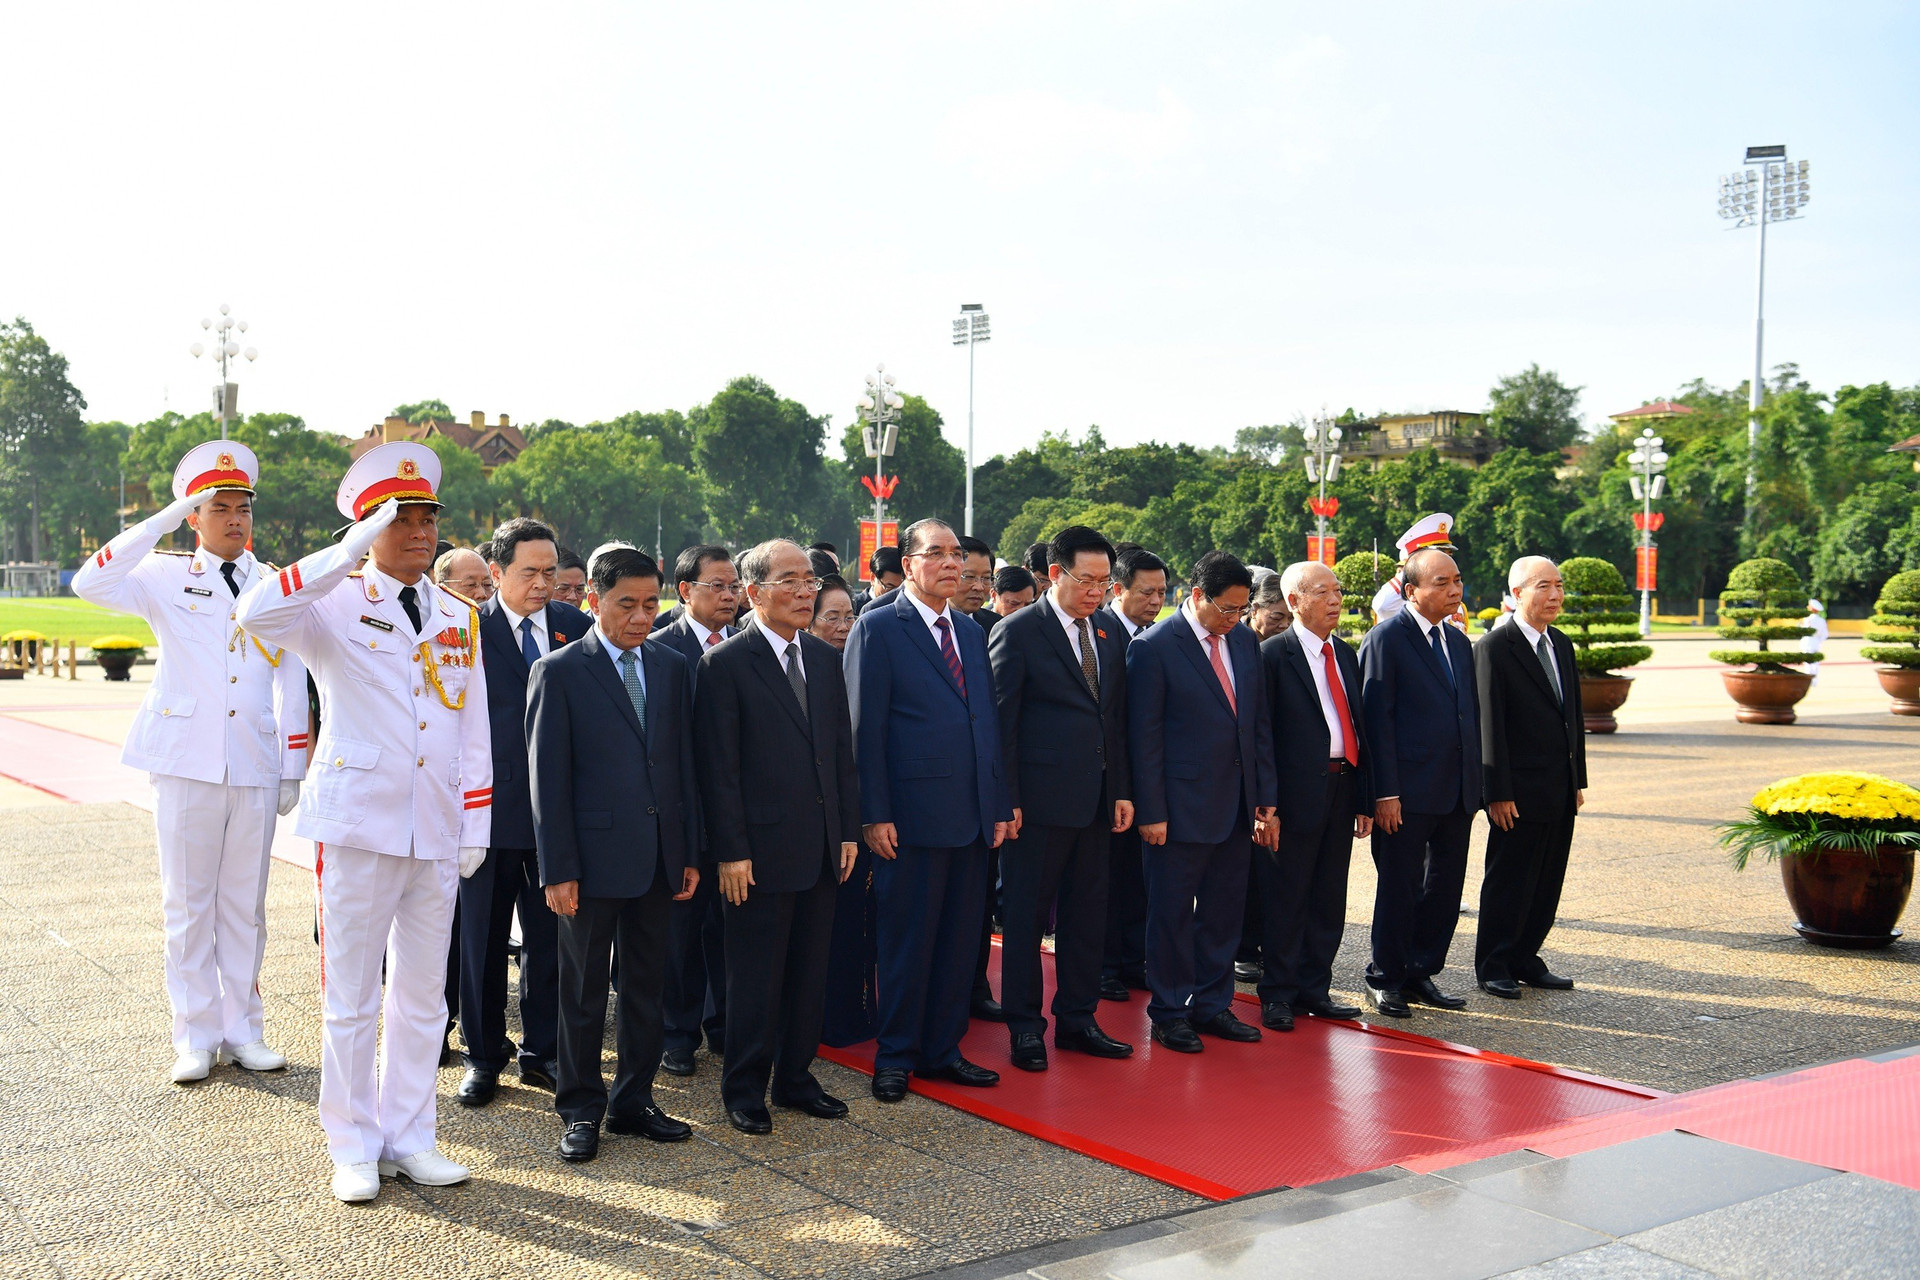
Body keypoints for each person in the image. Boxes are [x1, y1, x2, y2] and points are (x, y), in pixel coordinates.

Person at [236, 442, 491, 1203]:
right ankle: (350, 1141)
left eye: (427, 519)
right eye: (400, 519)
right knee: (350, 994)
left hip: (436, 826)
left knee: (422, 997)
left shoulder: (457, 614)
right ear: (369, 527)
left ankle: (411, 1136)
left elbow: (471, 724)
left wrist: (476, 820)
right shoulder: (333, 603)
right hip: (357, 824)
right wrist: (348, 546)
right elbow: (257, 611)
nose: (419, 532)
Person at [73, 441, 309, 1085]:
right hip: (184, 759)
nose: (235, 519)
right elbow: (89, 581)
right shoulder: (165, 574)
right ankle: (195, 1034)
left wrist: (292, 763)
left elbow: (293, 677)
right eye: (218, 508)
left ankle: (244, 1029)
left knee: (245, 906)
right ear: (194, 518)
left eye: (243, 509)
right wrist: (158, 521)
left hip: (255, 761)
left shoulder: (274, 584)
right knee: (187, 904)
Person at [527, 546, 700, 1164]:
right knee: (581, 992)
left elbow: (682, 767)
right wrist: (558, 869)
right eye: (626, 603)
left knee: (647, 984)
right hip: (590, 862)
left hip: (658, 857)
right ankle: (579, 1107)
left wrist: (687, 852)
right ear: (595, 601)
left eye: (651, 603)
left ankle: (635, 1099)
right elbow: (547, 782)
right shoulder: (560, 671)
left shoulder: (675, 665)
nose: (640, 615)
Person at [694, 540, 861, 1133]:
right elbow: (720, 770)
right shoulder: (725, 664)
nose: (805, 591)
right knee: (754, 977)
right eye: (789, 580)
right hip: (756, 855)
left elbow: (840, 752)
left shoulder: (820, 657)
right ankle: (744, 1087)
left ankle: (795, 1076)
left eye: (810, 581)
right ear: (755, 591)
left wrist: (844, 830)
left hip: (820, 847)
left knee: (808, 972)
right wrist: (731, 851)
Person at [845, 518, 1015, 1101]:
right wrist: (873, 813)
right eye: (937, 553)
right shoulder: (877, 628)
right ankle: (894, 1056)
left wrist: (998, 801)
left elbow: (984, 725)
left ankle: (943, 1049)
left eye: (958, 554)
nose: (952, 564)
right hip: (910, 819)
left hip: (971, 817)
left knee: (959, 941)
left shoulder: (968, 629)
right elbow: (865, 730)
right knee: (906, 942)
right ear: (909, 561)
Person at [988, 526, 1135, 1071]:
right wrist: (1008, 799)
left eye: (1105, 582)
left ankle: (1078, 1018)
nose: (1098, 591)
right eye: (1088, 580)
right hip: (1037, 807)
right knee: (1025, 920)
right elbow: (1002, 723)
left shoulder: (1107, 633)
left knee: (1087, 917)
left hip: (1097, 803)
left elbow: (1113, 721)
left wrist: (1121, 790)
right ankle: (1024, 1025)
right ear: (1055, 574)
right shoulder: (1018, 631)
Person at [454, 518, 590, 1108]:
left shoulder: (574, 627)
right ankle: (484, 1054)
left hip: (560, 819)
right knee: (481, 938)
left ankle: (543, 1051)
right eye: (529, 572)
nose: (543, 583)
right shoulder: (464, 633)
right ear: (496, 572)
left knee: (551, 940)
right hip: (489, 814)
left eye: (550, 572)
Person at [1126, 550, 1278, 1053]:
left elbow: (1256, 727)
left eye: (1242, 609)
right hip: (1177, 810)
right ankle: (1169, 1013)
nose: (1235, 618)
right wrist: (1152, 812)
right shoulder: (1154, 647)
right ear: (1196, 596)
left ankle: (1214, 1005)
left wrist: (1264, 798)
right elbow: (1143, 740)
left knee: (1223, 915)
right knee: (1170, 917)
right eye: (1227, 609)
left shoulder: (1244, 645)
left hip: (1235, 807)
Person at [1359, 547, 1482, 1020]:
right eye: (1442, 583)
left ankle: (1420, 970)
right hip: (1406, 794)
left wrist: (1478, 784)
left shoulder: (1457, 642)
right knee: (1400, 886)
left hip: (1455, 791)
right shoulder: (1387, 639)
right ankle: (1385, 977)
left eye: (1457, 581)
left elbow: (1466, 716)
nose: (1455, 590)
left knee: (1444, 888)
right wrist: (1385, 792)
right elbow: (1377, 722)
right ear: (1411, 591)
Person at [1253, 562, 1372, 1030]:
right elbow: (1260, 735)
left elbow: (1360, 728)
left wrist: (1365, 797)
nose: (1336, 599)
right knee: (1287, 895)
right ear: (1295, 602)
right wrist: (1267, 804)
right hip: (1293, 793)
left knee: (1328, 893)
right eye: (1323, 592)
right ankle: (1277, 993)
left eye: (1338, 591)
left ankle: (1314, 987)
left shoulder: (1344, 653)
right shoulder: (1273, 655)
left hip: (1341, 787)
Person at [1474, 557, 1585, 999]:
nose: (1555, 595)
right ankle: (1494, 963)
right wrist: (1496, 792)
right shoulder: (1495, 647)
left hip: (1558, 785)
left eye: (1559, 586)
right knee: (1510, 878)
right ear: (1518, 593)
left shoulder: (1561, 643)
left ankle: (1526, 955)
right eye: (1544, 586)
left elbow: (1571, 717)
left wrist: (1577, 778)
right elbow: (1489, 726)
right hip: (1516, 791)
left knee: (1546, 879)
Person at [650, 545, 741, 1077]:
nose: (729, 596)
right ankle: (678, 1032)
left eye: (734, 587)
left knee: (731, 928)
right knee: (680, 932)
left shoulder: (754, 645)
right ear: (685, 591)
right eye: (718, 586)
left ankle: (727, 1023)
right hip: (683, 816)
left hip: (738, 816)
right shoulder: (660, 650)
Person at [811, 576, 878, 1046]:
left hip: (858, 817)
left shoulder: (859, 662)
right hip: (811, 825)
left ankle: (847, 1014)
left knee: (856, 925)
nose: (841, 626)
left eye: (847, 616)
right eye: (829, 617)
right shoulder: (804, 670)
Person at [1100, 547, 1168, 999]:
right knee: (1103, 879)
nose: (1156, 600)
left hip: (1147, 777)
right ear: (1118, 589)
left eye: (1163, 592)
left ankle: (1131, 959)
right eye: (1147, 592)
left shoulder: (1159, 638)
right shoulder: (1098, 632)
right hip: (1104, 780)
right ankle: (1102, 966)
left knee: (1138, 878)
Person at [1370, 513, 1459, 627]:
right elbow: (1382, 605)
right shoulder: (1404, 594)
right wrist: (1412, 571)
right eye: (1439, 554)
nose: (1444, 560)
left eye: (1448, 555)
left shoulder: (1454, 597)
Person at [851, 545, 904, 614]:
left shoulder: (908, 609)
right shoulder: (854, 608)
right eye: (890, 587)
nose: (896, 593)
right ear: (873, 578)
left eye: (901, 588)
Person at [1246, 573, 1293, 641]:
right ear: (1254, 610)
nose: (1285, 625)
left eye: (1291, 619)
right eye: (1276, 618)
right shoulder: (1231, 640)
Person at [1800, 599, 1828, 685]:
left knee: (1808, 662)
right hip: (1816, 642)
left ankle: (1808, 681)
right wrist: (1818, 641)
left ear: (1812, 608)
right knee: (1815, 663)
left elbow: (1802, 631)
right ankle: (1814, 681)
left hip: (1808, 641)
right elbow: (1825, 634)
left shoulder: (1807, 619)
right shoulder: (1822, 620)